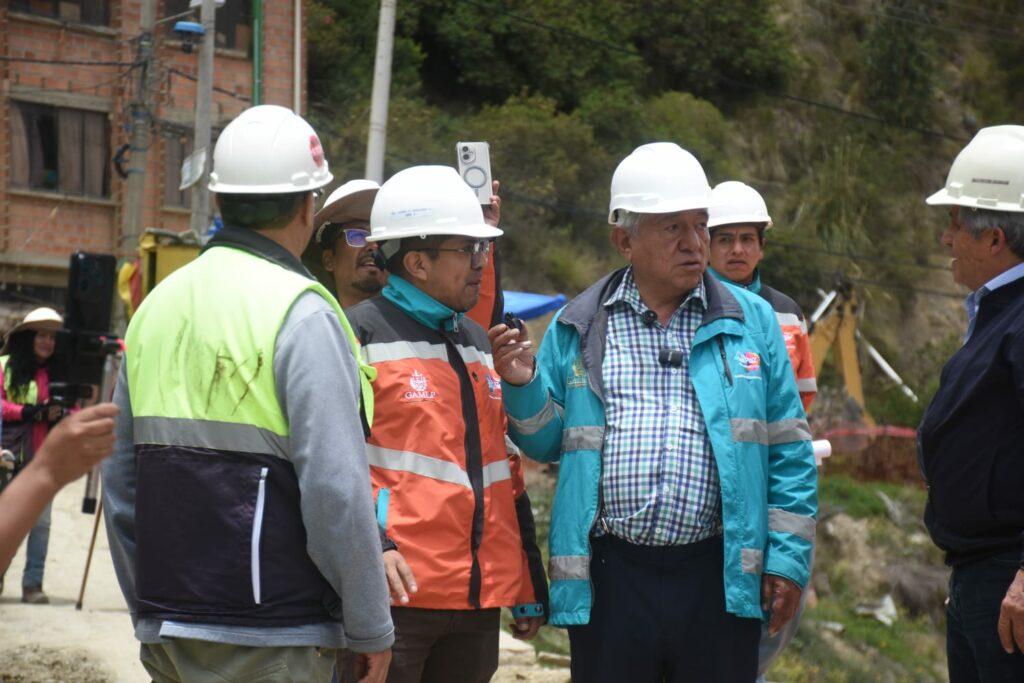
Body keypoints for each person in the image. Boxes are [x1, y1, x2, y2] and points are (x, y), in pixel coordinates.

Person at [490, 142, 818, 682]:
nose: (695, 243)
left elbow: (790, 452)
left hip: (717, 574)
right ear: (625, 240)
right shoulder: (580, 324)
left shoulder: (753, 322)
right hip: (613, 579)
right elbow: (547, 443)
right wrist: (523, 385)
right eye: (673, 228)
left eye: (700, 226)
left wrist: (786, 560)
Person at [102, 105, 394, 683]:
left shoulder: (156, 306)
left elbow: (120, 482)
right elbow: (336, 493)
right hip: (273, 634)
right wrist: (369, 626)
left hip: (170, 630)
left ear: (217, 199)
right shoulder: (303, 313)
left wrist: (150, 608)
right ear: (308, 206)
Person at [344, 165, 548, 683]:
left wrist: (526, 578)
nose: (482, 262)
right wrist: (375, 546)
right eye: (468, 249)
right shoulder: (358, 335)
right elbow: (330, 464)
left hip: (476, 602)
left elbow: (504, 470)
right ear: (417, 262)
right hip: (396, 599)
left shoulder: (478, 342)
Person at [917, 124, 1024, 682]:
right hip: (983, 576)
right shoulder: (999, 313)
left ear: (994, 239)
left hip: (1009, 580)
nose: (946, 238)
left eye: (956, 223)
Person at [707, 181, 817, 411]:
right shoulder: (691, 303)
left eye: (747, 239)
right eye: (725, 240)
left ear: (761, 248)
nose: (737, 249)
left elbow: (802, 393)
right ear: (707, 247)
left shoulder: (788, 311)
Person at [0, 306, 69, 603]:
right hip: (7, 458)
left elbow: (74, 410)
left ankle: (33, 586)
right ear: (28, 338)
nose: (47, 342)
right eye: (41, 335)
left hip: (44, 460)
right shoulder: (4, 366)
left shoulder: (59, 374)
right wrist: (30, 412)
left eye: (52, 337)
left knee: (41, 524)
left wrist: (62, 413)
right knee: (5, 521)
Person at [0, 403, 118, 574]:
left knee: (42, 524)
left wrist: (64, 416)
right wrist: (46, 472)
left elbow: (73, 408)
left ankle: (33, 581)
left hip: (40, 452)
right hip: (12, 454)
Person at [315, 179, 388, 309]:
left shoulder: (410, 320)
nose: (374, 246)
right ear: (328, 260)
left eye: (379, 238)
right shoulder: (315, 319)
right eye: (358, 236)